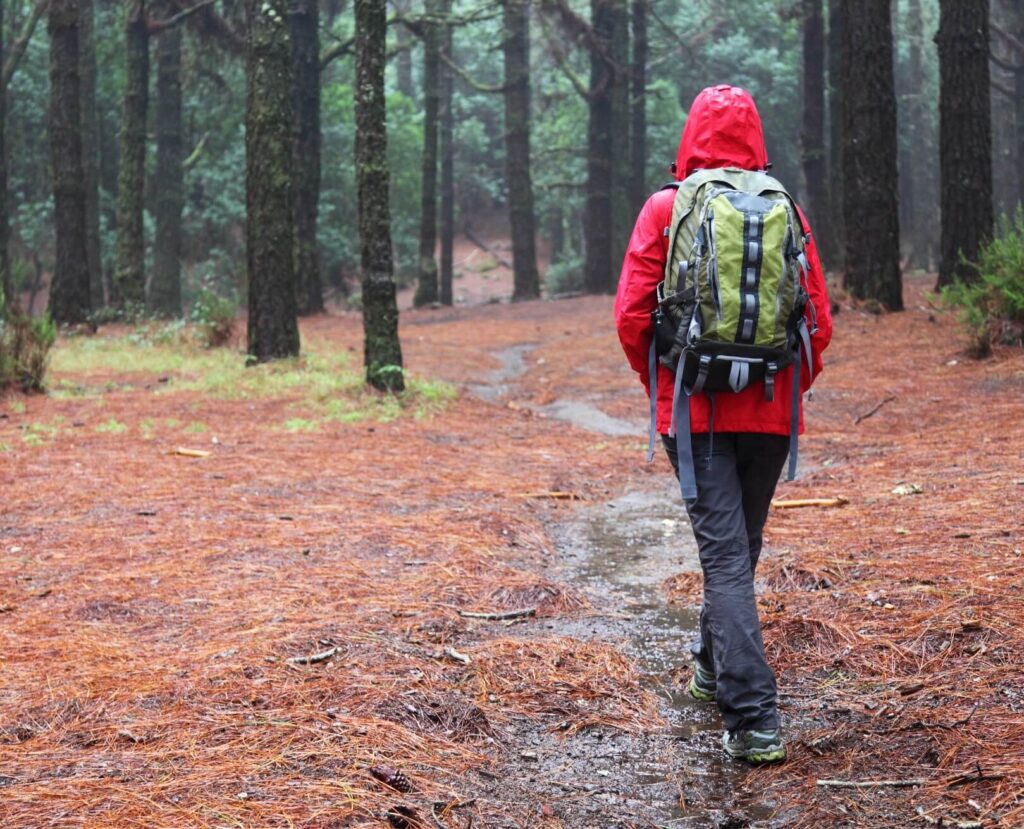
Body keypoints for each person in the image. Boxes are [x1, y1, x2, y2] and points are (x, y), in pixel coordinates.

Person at [614, 85, 833, 764]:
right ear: (756, 137)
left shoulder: (666, 207)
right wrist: (783, 388)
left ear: (691, 135)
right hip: (769, 413)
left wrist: (666, 386)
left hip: (696, 413)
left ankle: (754, 716)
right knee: (741, 550)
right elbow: (818, 322)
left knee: (726, 558)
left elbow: (631, 315)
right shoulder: (784, 208)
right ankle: (713, 665)